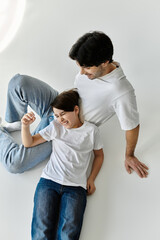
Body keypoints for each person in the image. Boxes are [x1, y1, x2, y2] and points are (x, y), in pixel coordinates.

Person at [0, 30, 148, 177]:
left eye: (87, 68)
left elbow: (132, 126)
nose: (82, 73)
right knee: (18, 82)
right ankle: (15, 123)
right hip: (59, 103)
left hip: (66, 129)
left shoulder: (121, 91)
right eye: (80, 67)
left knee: (14, 163)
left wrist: (130, 155)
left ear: (104, 62)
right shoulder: (92, 65)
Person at [21, 89, 104, 240]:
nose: (60, 119)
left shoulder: (91, 131)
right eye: (57, 116)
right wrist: (25, 126)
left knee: (68, 235)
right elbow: (29, 142)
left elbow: (99, 156)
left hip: (76, 188)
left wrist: (91, 178)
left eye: (63, 114)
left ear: (76, 109)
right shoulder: (56, 127)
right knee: (41, 232)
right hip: (49, 182)